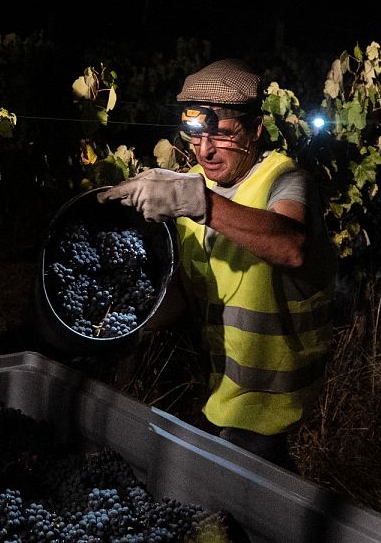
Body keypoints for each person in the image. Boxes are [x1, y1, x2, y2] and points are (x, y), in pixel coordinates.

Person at [98, 59, 337, 471]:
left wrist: (201, 204)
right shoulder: (193, 184)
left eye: (222, 135)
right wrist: (124, 317)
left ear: (255, 129)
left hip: (271, 405)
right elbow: (187, 295)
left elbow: (291, 246)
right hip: (220, 394)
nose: (205, 150)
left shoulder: (284, 180)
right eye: (195, 135)